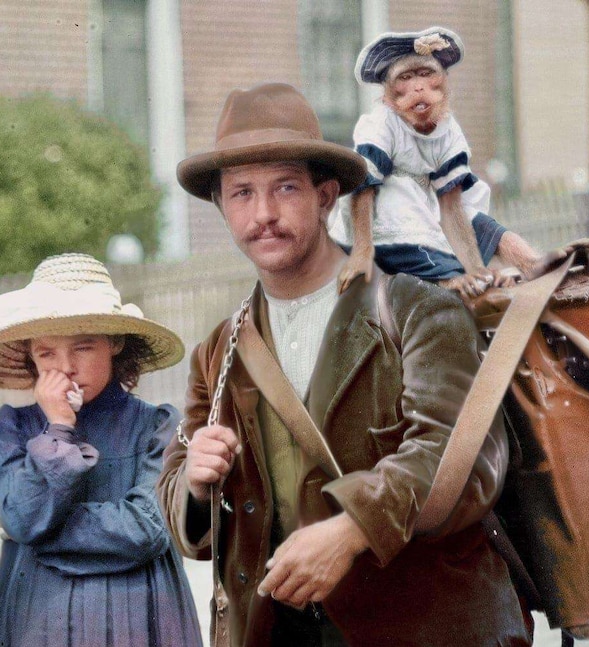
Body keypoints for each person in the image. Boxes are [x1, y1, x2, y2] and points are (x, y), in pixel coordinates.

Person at [157, 82, 532, 647]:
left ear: (327, 195)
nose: (263, 214)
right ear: (221, 206)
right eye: (241, 194)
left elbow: (467, 460)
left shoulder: (417, 310)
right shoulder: (221, 350)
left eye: (285, 188)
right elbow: (181, 508)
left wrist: (355, 528)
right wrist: (196, 483)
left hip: (427, 626)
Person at [0, 253, 202, 647]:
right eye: (47, 354)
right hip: (39, 624)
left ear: (115, 343)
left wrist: (43, 534)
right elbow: (21, 517)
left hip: (140, 618)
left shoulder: (156, 426)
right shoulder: (13, 428)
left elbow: (145, 529)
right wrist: (58, 428)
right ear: (30, 356)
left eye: (83, 348)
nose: (66, 367)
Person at [331, 26, 549, 298]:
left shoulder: (448, 129)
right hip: (379, 219)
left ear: (444, 82)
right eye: (406, 77)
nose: (418, 86)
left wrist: (475, 267)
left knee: (480, 222)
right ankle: (446, 280)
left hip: (425, 208)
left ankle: (532, 263)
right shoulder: (381, 123)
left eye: (426, 74)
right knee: (403, 200)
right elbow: (362, 186)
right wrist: (362, 251)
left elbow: (452, 206)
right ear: (388, 95)